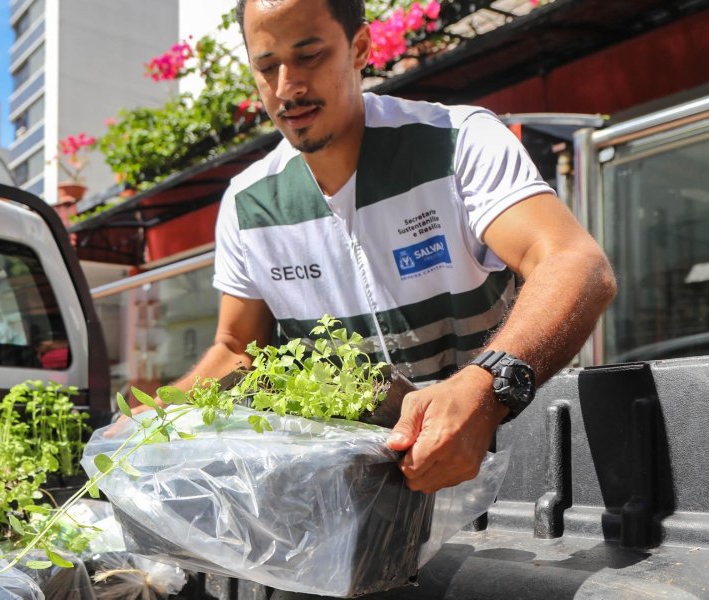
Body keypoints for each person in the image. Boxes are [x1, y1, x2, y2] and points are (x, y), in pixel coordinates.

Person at [132, 0, 617, 496]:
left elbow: (574, 263)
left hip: (509, 482)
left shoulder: (457, 141)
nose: (287, 86)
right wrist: (145, 426)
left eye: (309, 56)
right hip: (355, 505)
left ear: (360, 47)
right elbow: (237, 349)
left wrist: (485, 386)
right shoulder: (248, 204)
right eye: (267, 66)